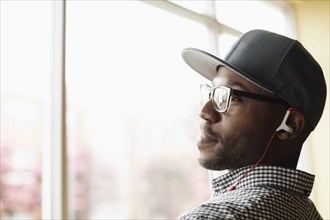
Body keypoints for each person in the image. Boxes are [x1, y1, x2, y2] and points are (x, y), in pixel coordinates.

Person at [178, 29, 326, 219]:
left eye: (232, 97)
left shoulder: (210, 217)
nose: (205, 112)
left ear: (290, 125)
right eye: (213, 93)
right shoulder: (308, 213)